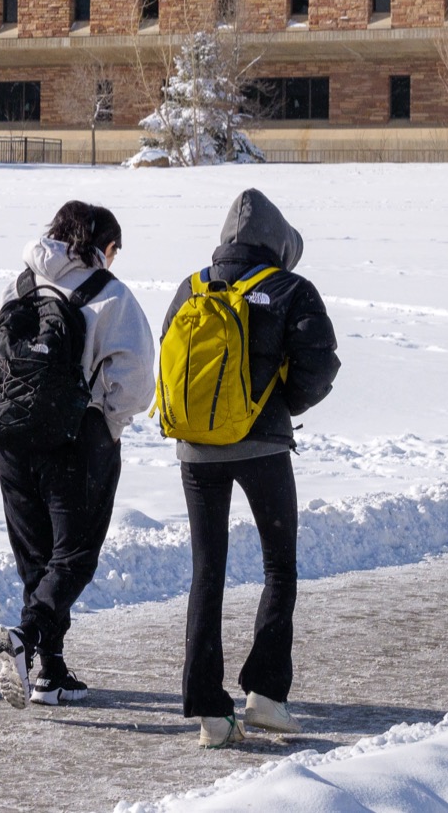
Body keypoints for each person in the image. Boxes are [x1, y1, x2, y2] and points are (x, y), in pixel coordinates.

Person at [162, 188, 340, 748]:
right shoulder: (290, 288)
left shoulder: (190, 286)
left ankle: (210, 713)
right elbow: (319, 362)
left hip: (194, 450)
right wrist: (279, 405)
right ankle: (265, 694)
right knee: (278, 568)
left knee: (207, 572)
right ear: (279, 242)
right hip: (261, 448)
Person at [0, 201, 154, 708]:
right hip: (75, 442)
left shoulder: (20, 286)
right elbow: (134, 383)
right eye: (114, 249)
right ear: (102, 246)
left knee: (36, 559)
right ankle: (26, 639)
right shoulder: (111, 295)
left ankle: (50, 669)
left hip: (11, 444)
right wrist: (105, 424)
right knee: (73, 556)